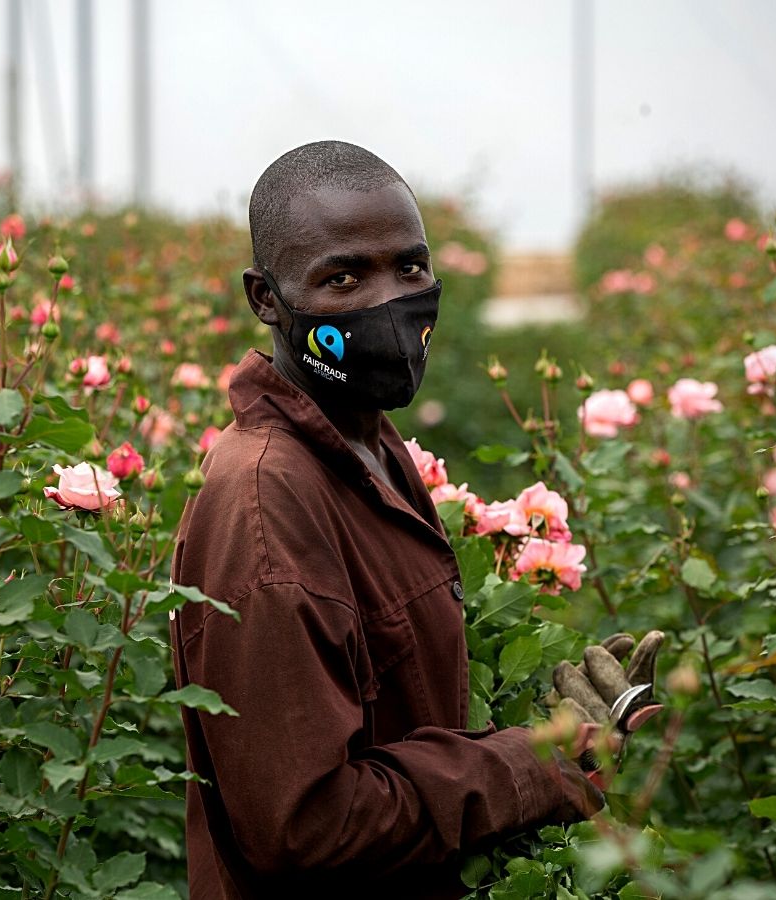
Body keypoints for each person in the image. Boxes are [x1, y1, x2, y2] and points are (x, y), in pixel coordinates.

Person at [169, 140, 604, 900]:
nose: (387, 304)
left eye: (409, 267)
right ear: (265, 298)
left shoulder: (369, 446)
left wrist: (565, 729)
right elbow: (305, 827)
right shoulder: (270, 503)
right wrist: (535, 765)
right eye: (342, 277)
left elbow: (396, 719)